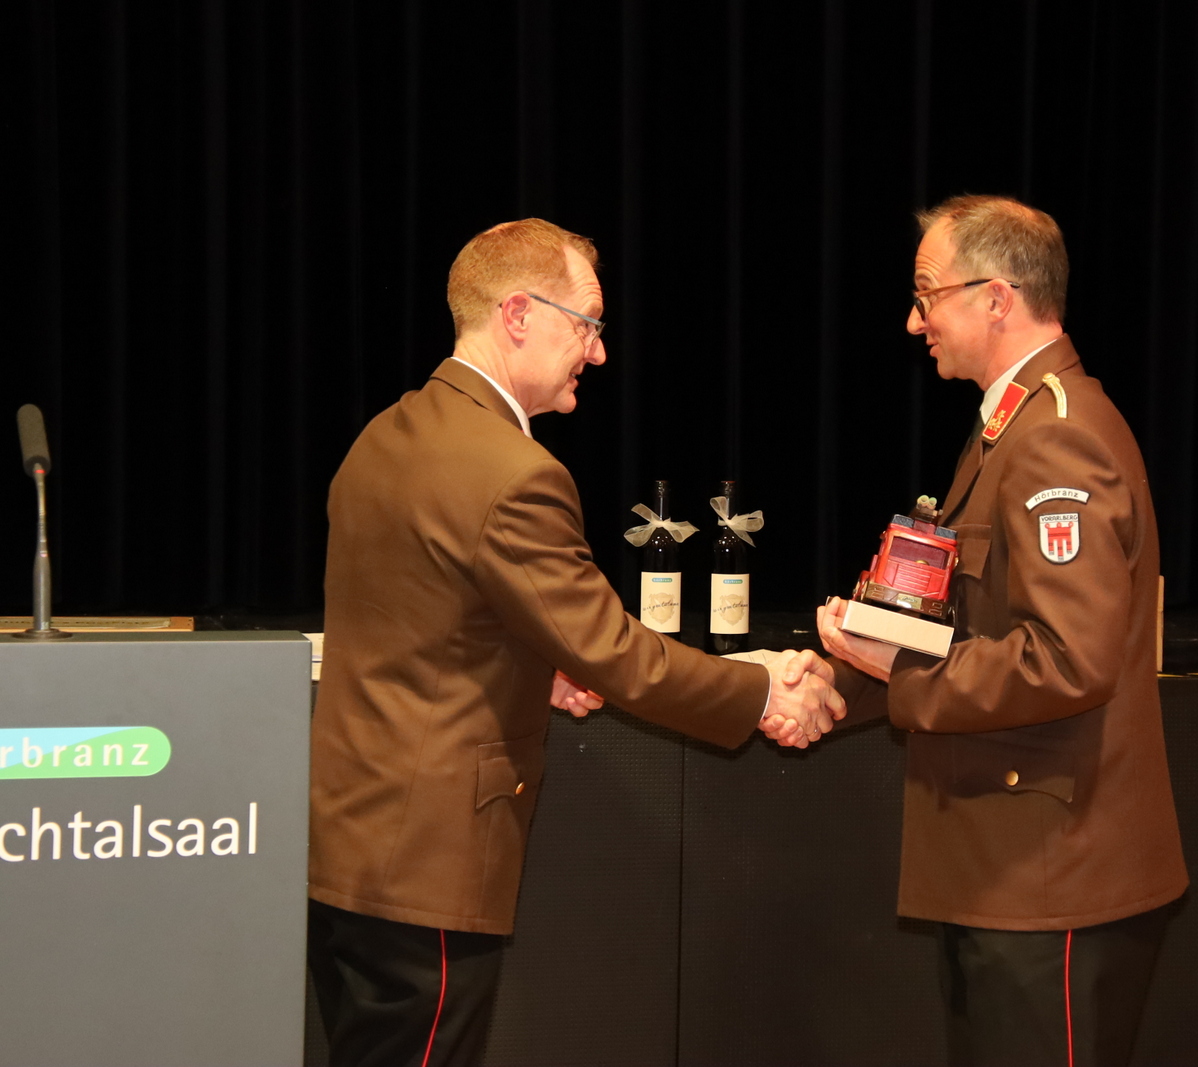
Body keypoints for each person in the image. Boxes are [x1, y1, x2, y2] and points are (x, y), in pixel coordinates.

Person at [307, 218, 843, 1067]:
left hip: (346, 845)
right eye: (587, 323)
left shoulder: (384, 435)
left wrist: (532, 662)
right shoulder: (513, 471)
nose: (597, 351)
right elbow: (616, 653)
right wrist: (765, 689)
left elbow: (427, 619)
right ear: (518, 313)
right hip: (427, 862)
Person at [818, 195, 1188, 1067]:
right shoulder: (1011, 426)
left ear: (996, 297)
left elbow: (1065, 660)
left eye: (926, 295)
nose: (915, 322)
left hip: (1052, 881)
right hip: (1013, 873)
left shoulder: (1056, 438)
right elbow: (969, 623)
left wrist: (900, 678)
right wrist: (842, 675)